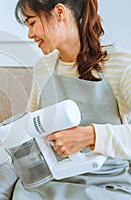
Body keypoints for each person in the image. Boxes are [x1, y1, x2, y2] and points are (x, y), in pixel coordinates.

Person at [12, 0, 131, 199]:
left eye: (32, 23)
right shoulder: (43, 67)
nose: (29, 35)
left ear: (59, 12)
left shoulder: (120, 64)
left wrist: (91, 135)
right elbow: (30, 127)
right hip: (46, 184)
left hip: (105, 184)